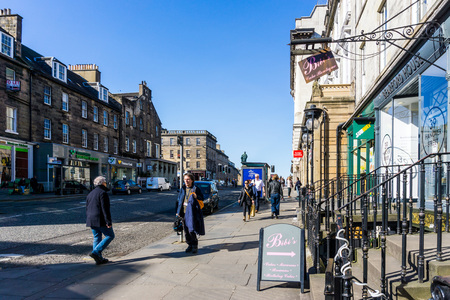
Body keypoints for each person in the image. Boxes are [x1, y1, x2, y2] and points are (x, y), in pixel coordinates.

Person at [86, 176, 114, 265]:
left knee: (97, 237)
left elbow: (87, 207)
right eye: (105, 182)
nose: (106, 183)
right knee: (110, 235)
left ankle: (99, 259)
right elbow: (105, 209)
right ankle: (95, 252)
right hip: (100, 219)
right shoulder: (103, 193)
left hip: (91, 219)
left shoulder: (90, 193)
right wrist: (108, 221)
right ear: (102, 183)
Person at [176, 173, 205, 254]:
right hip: (184, 213)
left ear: (192, 180)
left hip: (192, 213)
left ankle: (195, 246)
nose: (186, 181)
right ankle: (189, 245)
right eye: (185, 179)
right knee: (186, 230)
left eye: (188, 179)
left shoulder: (195, 189)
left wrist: (197, 197)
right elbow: (179, 200)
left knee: (191, 230)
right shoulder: (183, 188)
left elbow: (202, 198)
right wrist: (178, 212)